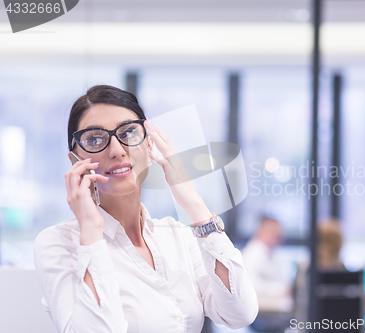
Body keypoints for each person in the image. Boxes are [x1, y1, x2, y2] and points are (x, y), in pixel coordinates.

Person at [32, 85, 258, 333]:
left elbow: (239, 314)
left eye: (128, 132)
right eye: (95, 139)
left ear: (150, 145)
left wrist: (192, 201)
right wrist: (91, 231)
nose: (117, 151)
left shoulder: (177, 236)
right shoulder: (59, 243)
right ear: (76, 161)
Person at [242, 216, 293, 332]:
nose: (279, 236)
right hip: (260, 314)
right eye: (274, 232)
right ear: (262, 231)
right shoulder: (252, 253)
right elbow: (250, 285)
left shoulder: (273, 253)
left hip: (273, 309)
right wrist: (280, 289)